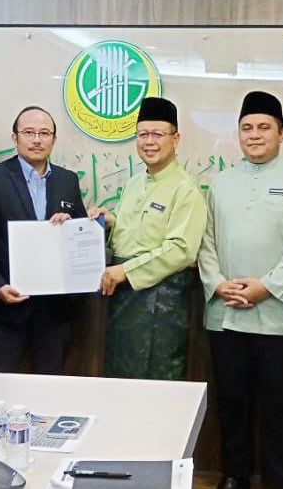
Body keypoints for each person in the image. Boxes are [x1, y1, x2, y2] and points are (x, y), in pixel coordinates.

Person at [197, 91, 283, 489]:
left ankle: (280, 482)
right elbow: (206, 241)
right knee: (232, 406)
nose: (254, 135)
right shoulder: (221, 183)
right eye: (247, 128)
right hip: (227, 316)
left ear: (282, 133)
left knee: (281, 410)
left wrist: (266, 287)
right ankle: (234, 477)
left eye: (264, 127)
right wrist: (218, 284)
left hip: (282, 320)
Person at [91, 97, 207, 380]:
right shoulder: (134, 183)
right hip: (124, 299)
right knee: (121, 380)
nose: (149, 142)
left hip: (161, 305)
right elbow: (131, 233)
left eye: (157, 134)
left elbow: (181, 250)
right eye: (143, 134)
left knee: (156, 383)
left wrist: (125, 271)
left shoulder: (186, 189)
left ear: (175, 139)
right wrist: (109, 221)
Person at [0, 106, 87, 373]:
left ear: (54, 139)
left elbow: (81, 235)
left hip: (54, 311)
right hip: (5, 308)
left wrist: (72, 226)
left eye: (44, 133)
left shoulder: (68, 180)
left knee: (51, 385)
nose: (37, 140)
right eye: (29, 132)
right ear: (15, 138)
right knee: (0, 384)